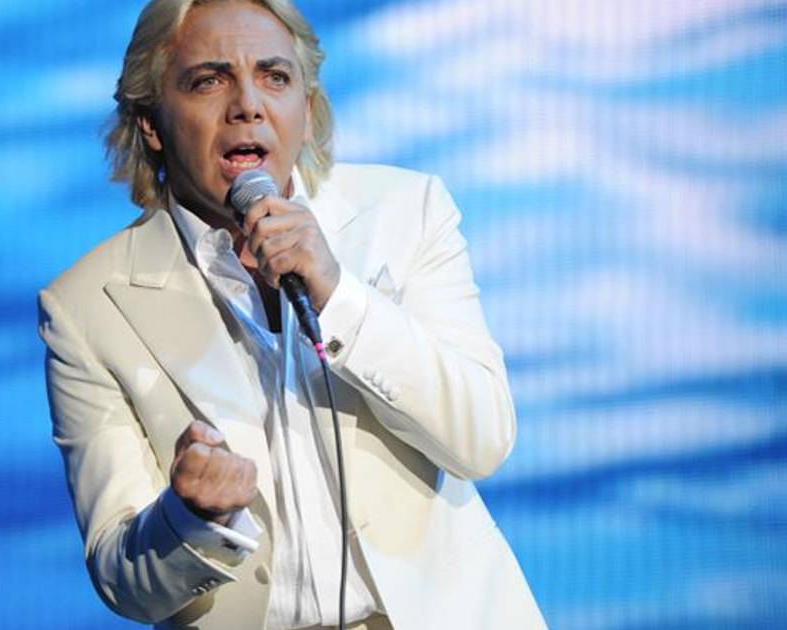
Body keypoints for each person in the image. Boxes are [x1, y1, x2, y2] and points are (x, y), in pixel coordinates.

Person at [37, 0, 548, 628]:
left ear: (306, 111)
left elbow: (482, 438)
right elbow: (122, 579)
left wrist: (340, 296)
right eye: (209, 80)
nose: (248, 105)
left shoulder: (407, 213)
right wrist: (190, 518)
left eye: (275, 77)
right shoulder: (87, 304)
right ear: (151, 123)